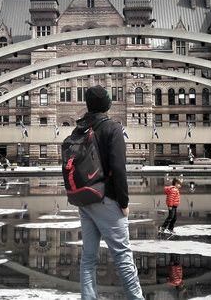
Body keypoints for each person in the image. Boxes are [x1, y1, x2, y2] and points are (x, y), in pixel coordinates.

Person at [76, 86, 143, 300]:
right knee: (123, 256)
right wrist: (123, 201)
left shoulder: (78, 129)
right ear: (107, 105)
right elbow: (119, 168)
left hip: (85, 199)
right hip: (107, 199)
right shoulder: (112, 128)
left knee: (88, 258)